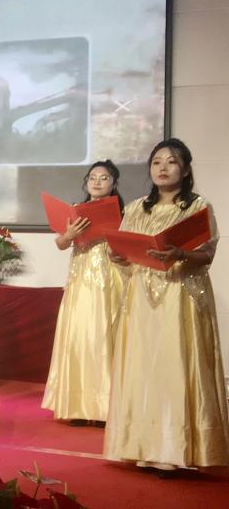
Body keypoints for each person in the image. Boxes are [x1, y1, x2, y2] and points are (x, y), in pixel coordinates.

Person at [104, 138, 228, 473]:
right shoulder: (135, 208)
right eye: (157, 161)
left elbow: (207, 255)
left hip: (179, 297)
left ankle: (173, 451)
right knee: (143, 367)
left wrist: (180, 254)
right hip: (141, 297)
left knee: (174, 365)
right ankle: (139, 446)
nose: (162, 167)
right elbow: (124, 252)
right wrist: (118, 256)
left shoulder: (198, 206)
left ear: (185, 170)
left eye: (171, 161)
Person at [42, 160, 124, 426]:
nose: (97, 182)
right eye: (92, 177)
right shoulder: (75, 211)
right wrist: (69, 234)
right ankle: (77, 405)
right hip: (80, 282)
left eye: (104, 178)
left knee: (104, 339)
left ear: (114, 184)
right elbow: (60, 244)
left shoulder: (124, 213)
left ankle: (104, 407)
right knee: (78, 338)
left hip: (109, 280)